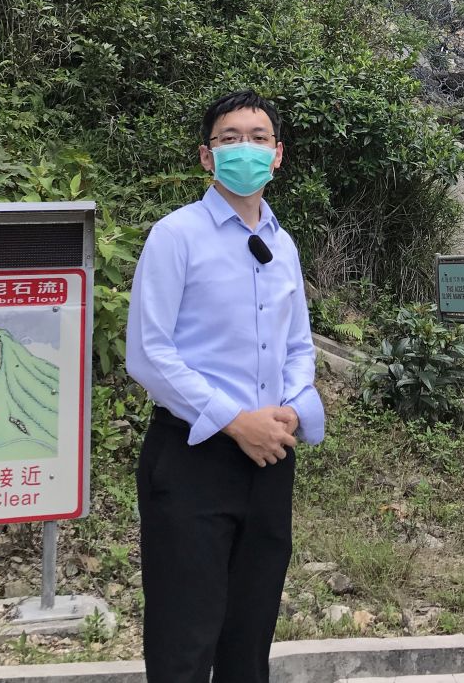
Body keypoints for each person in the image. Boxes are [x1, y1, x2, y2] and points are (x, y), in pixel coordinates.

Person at [125, 89, 325, 683]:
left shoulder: (282, 244)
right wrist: (237, 420)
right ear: (207, 157)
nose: (245, 149)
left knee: (249, 636)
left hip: (270, 455)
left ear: (278, 155)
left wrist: (290, 410)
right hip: (193, 456)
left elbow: (297, 345)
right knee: (184, 639)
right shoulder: (176, 235)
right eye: (229, 138)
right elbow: (149, 353)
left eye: (258, 138)